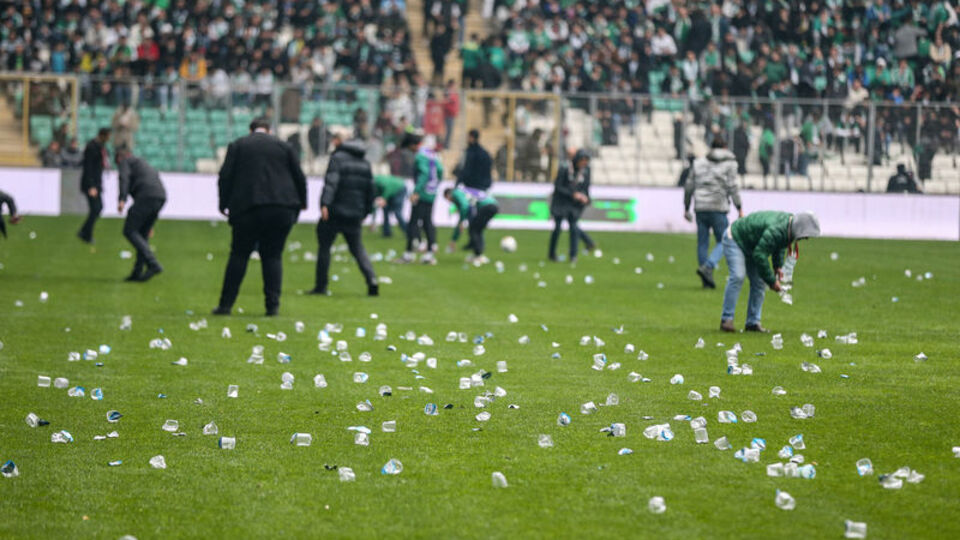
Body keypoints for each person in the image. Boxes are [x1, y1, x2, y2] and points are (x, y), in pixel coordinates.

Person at [213, 117, 307, 316]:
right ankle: (272, 306)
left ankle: (225, 305)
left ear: (251, 130)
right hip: (281, 208)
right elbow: (299, 176)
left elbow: (225, 176)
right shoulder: (284, 146)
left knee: (239, 255)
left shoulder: (238, 145)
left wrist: (223, 204)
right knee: (273, 256)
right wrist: (302, 203)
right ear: (269, 130)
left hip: (247, 207)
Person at [720, 211, 821, 333]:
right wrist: (772, 281)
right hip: (735, 238)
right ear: (799, 228)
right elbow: (760, 254)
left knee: (759, 283)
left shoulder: (787, 227)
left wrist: (777, 266)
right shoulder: (778, 229)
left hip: (752, 244)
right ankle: (726, 320)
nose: (806, 238)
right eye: (805, 235)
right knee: (737, 276)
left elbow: (779, 245)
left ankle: (753, 323)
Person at [311, 138, 378, 297]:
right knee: (357, 248)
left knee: (324, 247)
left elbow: (331, 183)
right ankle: (372, 279)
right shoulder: (365, 164)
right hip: (355, 213)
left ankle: (321, 285)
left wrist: (325, 203)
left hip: (335, 211)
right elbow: (370, 190)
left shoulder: (337, 159)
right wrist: (367, 211)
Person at [684, 138, 743, 289]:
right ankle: (708, 267)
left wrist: (686, 207)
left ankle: (706, 279)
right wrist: (739, 207)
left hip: (700, 207)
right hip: (718, 206)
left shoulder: (698, 163)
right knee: (726, 240)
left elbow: (689, 186)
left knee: (702, 243)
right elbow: (733, 186)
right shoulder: (730, 164)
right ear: (724, 147)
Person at [115, 146, 166, 282]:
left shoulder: (125, 162)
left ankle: (153, 263)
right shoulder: (143, 163)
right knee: (142, 234)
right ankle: (137, 272)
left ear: (119, 158)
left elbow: (124, 179)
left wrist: (122, 199)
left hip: (146, 196)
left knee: (129, 230)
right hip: (160, 196)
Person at [548, 150, 595, 262]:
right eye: (582, 161)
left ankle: (573, 255)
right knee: (557, 228)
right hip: (560, 202)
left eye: (586, 161)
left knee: (574, 227)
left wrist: (585, 197)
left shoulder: (586, 171)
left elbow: (586, 187)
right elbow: (558, 187)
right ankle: (552, 254)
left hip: (574, 204)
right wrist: (573, 194)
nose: (584, 163)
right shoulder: (565, 168)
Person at [402, 135, 442, 264]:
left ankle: (409, 253)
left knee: (413, 222)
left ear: (412, 145)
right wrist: (434, 185)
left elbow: (424, 174)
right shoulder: (432, 154)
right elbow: (440, 171)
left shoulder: (420, 156)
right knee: (427, 222)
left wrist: (416, 191)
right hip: (431, 192)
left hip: (422, 193)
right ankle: (429, 253)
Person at [444, 186, 498, 265]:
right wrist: (454, 239)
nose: (449, 201)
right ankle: (478, 253)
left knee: (474, 230)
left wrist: (462, 222)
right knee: (476, 229)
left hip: (486, 206)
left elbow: (464, 206)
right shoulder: (463, 192)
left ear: (448, 195)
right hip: (493, 205)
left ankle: (478, 255)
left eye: (447, 199)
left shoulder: (456, 193)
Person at [77, 127, 110, 244]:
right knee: (96, 208)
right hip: (91, 184)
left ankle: (85, 233)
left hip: (97, 183)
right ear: (103, 135)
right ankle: (85, 233)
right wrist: (91, 186)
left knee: (96, 209)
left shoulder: (100, 147)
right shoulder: (92, 147)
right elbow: (88, 167)